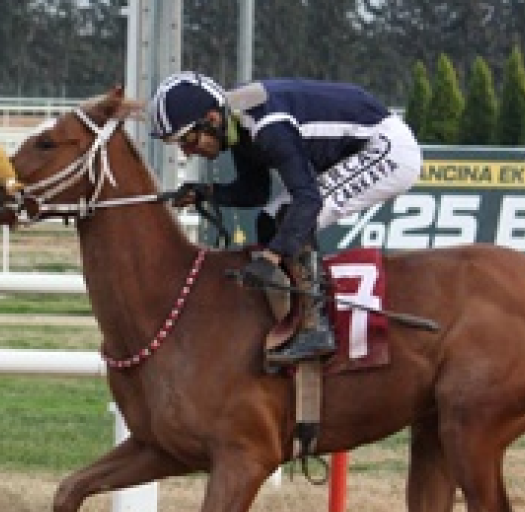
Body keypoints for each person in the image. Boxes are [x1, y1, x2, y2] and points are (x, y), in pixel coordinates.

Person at [147, 72, 422, 365]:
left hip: (387, 149)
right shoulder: (236, 124)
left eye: (188, 140)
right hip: (362, 141)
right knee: (268, 222)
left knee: (288, 216)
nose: (188, 152)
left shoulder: (267, 128)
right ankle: (294, 316)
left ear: (212, 119)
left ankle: (316, 328)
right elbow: (255, 192)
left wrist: (272, 257)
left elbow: (308, 201)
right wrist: (205, 193)